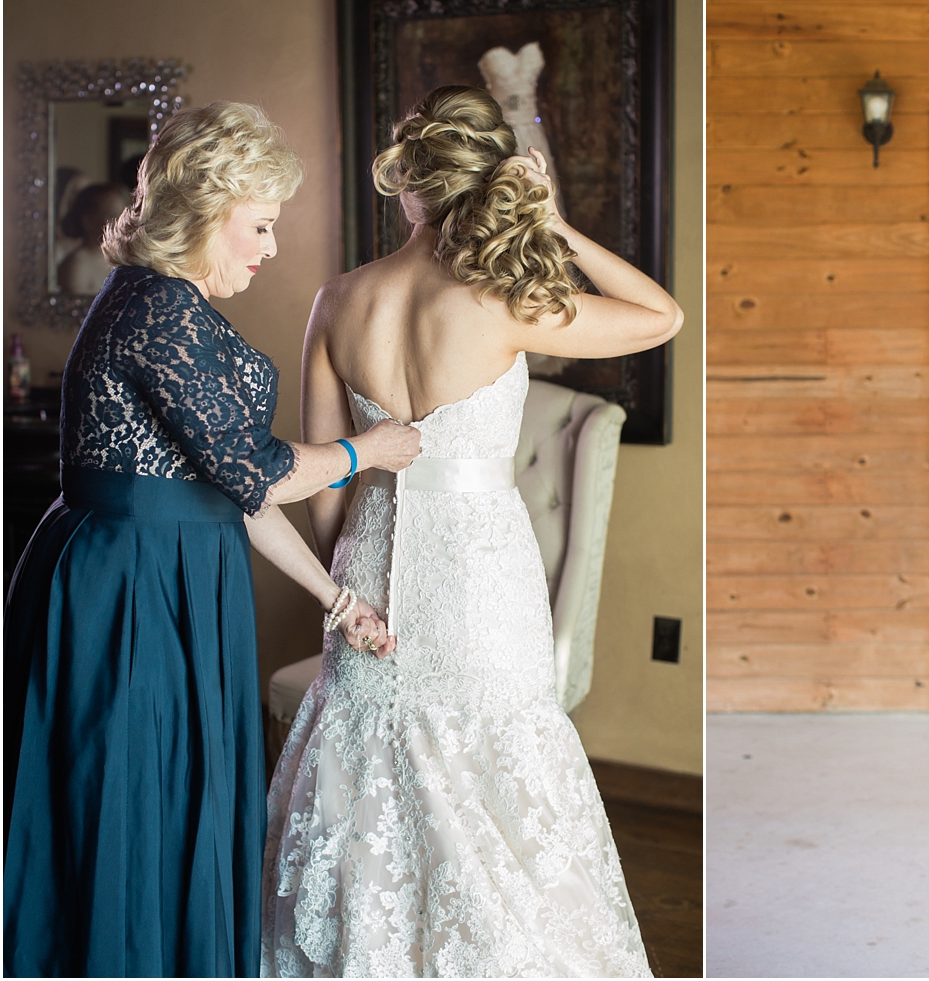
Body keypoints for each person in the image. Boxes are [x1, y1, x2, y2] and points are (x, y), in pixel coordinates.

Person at [261, 86, 681, 977]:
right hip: (480, 573)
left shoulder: (339, 299)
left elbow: (328, 481)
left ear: (410, 184)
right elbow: (662, 317)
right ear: (490, 179)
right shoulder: (505, 299)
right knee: (497, 773)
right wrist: (555, 223)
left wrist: (344, 586)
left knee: (367, 771)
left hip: (368, 558)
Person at [2, 101, 421, 978]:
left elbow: (232, 493)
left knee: (172, 801)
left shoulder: (165, 299)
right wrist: (366, 449)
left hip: (171, 567)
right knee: (129, 805)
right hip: (132, 585)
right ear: (204, 211)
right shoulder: (159, 308)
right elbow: (255, 473)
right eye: (259, 225)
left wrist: (340, 601)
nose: (271, 246)